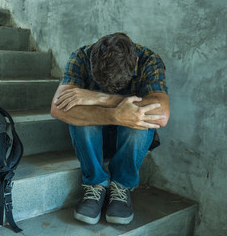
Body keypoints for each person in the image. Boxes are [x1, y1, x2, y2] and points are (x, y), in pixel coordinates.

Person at [50, 32, 170, 225]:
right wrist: (113, 114)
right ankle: (96, 183)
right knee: (77, 112)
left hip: (129, 141)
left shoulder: (149, 60)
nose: (110, 89)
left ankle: (121, 186)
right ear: (92, 61)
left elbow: (161, 115)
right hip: (93, 139)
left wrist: (100, 98)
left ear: (135, 61)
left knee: (141, 118)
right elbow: (57, 109)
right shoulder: (81, 56)